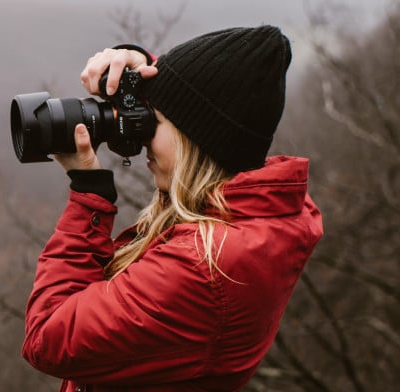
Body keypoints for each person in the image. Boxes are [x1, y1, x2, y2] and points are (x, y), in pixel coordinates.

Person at [21, 25, 323, 391]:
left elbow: (48, 337)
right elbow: (215, 109)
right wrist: (144, 70)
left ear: (196, 139)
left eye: (155, 121)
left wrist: (89, 193)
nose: (142, 135)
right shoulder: (258, 221)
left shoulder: (202, 267)